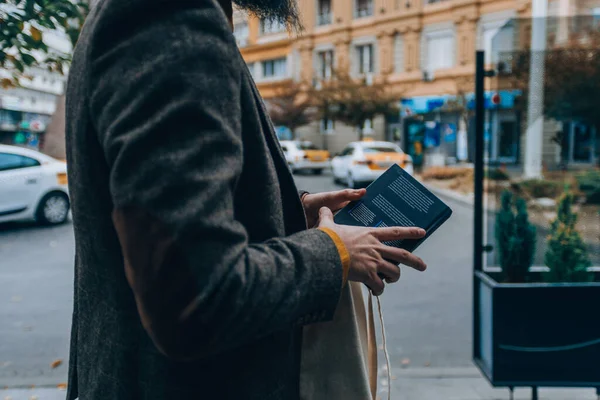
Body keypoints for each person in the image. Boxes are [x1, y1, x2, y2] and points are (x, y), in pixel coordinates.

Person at [64, 0, 428, 398]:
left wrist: (290, 215)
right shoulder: (171, 15)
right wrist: (334, 252)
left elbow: (165, 222)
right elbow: (194, 296)